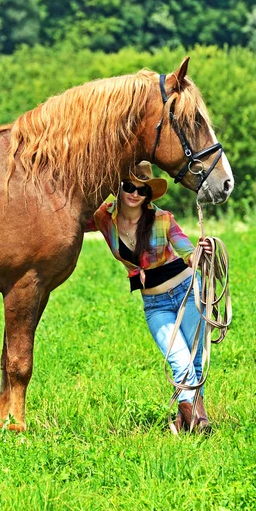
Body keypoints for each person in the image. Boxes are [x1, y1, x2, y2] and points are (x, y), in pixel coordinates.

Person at [86, 161, 213, 434]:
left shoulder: (162, 219)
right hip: (154, 304)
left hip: (187, 291)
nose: (134, 193)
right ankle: (193, 417)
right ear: (118, 188)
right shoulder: (103, 218)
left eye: (142, 190)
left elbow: (187, 251)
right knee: (180, 360)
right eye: (128, 186)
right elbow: (69, 218)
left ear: (148, 195)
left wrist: (201, 255)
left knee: (193, 359)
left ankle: (194, 420)